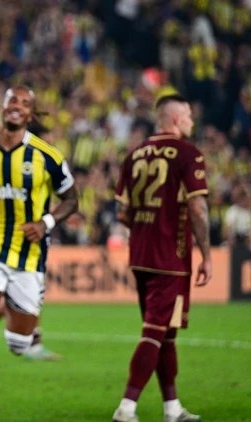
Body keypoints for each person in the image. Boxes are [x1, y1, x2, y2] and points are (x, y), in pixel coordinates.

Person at [0, 86, 78, 422]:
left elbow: (72, 199)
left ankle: (4, 306)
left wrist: (46, 222)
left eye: (26, 104)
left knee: (19, 344)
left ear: (31, 114)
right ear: (2, 106)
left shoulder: (47, 156)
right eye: (13, 100)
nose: (18, 107)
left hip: (29, 257)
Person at [111, 94, 211, 422]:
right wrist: (206, 255)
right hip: (170, 258)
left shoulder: (135, 154)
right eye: (189, 116)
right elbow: (197, 208)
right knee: (154, 332)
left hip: (140, 254)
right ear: (176, 119)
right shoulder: (188, 154)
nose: (192, 122)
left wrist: (147, 227)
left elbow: (122, 212)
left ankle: (172, 408)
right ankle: (127, 407)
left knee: (165, 334)